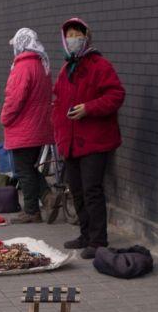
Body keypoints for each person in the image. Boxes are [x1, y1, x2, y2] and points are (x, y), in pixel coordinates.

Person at [52, 17, 125, 259]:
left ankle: (98, 240)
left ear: (86, 36)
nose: (73, 39)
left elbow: (116, 95)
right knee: (77, 190)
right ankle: (85, 234)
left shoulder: (99, 65)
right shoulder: (66, 69)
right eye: (69, 35)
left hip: (95, 140)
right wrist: (58, 131)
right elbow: (57, 101)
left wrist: (89, 108)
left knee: (92, 189)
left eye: (77, 34)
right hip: (71, 141)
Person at [0, 28, 54, 223]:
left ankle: (32, 210)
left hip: (24, 126)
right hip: (39, 125)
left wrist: (5, 118)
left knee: (23, 169)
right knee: (29, 167)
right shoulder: (41, 64)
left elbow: (14, 99)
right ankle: (48, 198)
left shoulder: (23, 67)